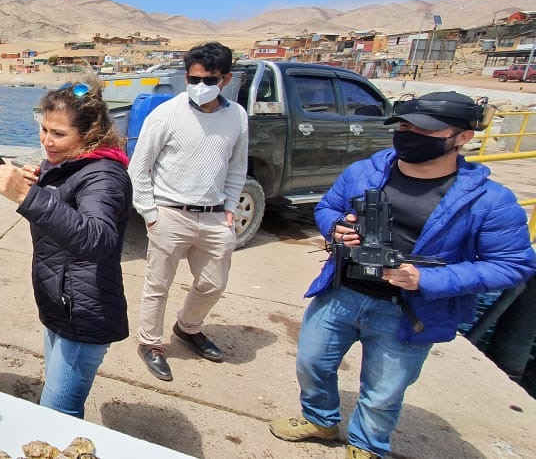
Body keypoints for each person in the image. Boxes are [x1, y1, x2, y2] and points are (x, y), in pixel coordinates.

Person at [268, 91, 535, 459]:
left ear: (462, 137)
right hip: (342, 291)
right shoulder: (365, 172)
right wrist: (336, 229)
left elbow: (512, 264)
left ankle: (366, 446)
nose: (409, 134)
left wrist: (426, 280)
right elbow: (329, 206)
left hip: (409, 310)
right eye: (405, 126)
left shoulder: (490, 200)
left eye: (424, 130)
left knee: (383, 391)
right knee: (312, 363)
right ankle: (320, 419)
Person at [0, 78, 132, 418]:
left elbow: (97, 238)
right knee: (56, 404)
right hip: (61, 306)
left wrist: (27, 197)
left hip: (84, 314)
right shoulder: (66, 164)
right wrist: (40, 185)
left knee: (57, 413)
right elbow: (62, 222)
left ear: (89, 134)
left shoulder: (105, 175)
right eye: (43, 129)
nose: (47, 141)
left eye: (58, 134)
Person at [127, 41, 248, 381]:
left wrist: (229, 207)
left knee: (213, 283)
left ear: (225, 79)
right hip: (170, 213)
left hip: (214, 216)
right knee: (158, 284)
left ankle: (188, 327)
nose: (199, 87)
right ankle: (150, 343)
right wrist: (150, 213)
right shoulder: (166, 114)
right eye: (193, 79)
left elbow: (238, 167)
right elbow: (139, 168)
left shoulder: (236, 116)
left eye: (208, 80)